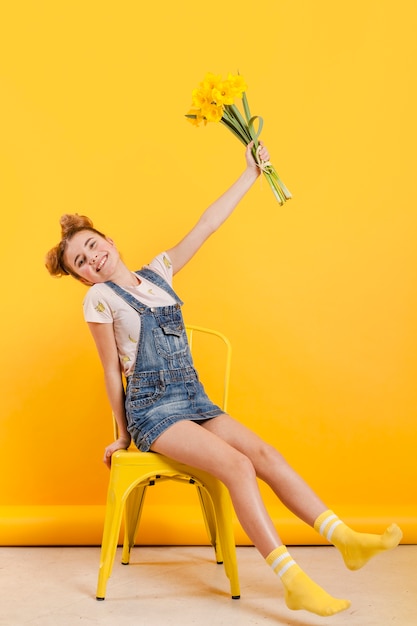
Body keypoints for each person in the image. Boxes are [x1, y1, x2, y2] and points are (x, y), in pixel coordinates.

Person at [45, 141, 402, 618]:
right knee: (236, 467)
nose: (92, 260)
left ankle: (346, 538)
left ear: (109, 241)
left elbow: (207, 224)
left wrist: (251, 174)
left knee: (264, 454)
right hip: (153, 411)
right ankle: (293, 581)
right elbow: (111, 371)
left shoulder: (159, 273)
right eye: (81, 264)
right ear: (83, 279)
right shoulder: (99, 301)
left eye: (92, 246)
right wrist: (124, 436)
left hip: (193, 398)